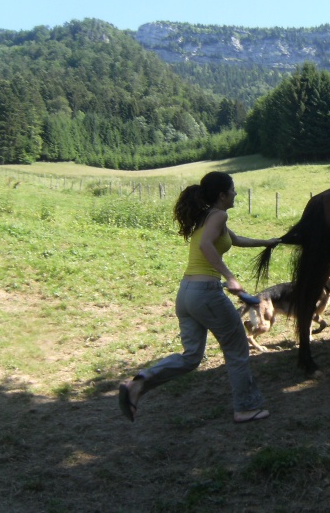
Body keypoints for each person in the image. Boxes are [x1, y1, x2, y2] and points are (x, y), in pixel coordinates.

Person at [118, 171, 280, 424]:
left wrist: (266, 242)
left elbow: (234, 240)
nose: (236, 193)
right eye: (233, 189)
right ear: (222, 194)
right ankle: (246, 408)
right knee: (237, 348)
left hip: (186, 294)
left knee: (191, 356)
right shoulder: (218, 215)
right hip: (206, 294)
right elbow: (206, 245)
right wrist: (229, 276)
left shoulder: (210, 217)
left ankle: (137, 384)